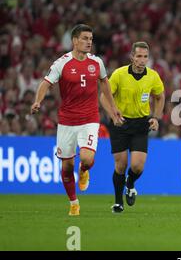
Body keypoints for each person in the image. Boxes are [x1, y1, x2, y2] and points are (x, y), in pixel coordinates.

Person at [31, 24, 123, 216]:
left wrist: (113, 109)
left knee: (87, 159)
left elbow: (105, 83)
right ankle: (74, 202)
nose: (89, 42)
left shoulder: (96, 62)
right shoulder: (61, 63)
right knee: (66, 166)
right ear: (74, 41)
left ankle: (84, 170)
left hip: (90, 119)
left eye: (90, 39)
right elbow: (45, 83)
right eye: (85, 38)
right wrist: (37, 101)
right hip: (66, 121)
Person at [100, 42, 165, 213]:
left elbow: (160, 97)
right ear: (132, 57)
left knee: (137, 166)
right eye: (139, 56)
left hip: (140, 123)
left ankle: (130, 183)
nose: (142, 60)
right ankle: (117, 201)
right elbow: (104, 97)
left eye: (145, 57)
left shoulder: (152, 76)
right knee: (120, 165)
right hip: (120, 123)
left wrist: (156, 118)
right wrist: (113, 115)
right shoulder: (119, 74)